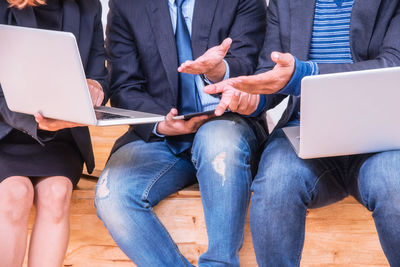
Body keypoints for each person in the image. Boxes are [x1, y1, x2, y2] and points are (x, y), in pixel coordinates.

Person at [205, 0, 400, 266]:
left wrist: (306, 72)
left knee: (393, 184)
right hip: (305, 132)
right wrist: (252, 97)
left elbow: (393, 64)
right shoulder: (285, 3)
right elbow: (272, 76)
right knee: (275, 185)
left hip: (381, 137)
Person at [94, 0, 267, 265]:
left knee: (216, 141)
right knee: (112, 195)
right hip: (160, 134)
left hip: (226, 122)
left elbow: (254, 64)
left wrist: (218, 71)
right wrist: (160, 123)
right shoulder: (127, 5)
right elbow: (124, 87)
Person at [0, 0, 107, 265]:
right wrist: (35, 123)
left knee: (57, 193)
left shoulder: (89, 6)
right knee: (15, 194)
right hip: (4, 131)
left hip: (60, 137)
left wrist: (94, 87)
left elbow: (100, 76)